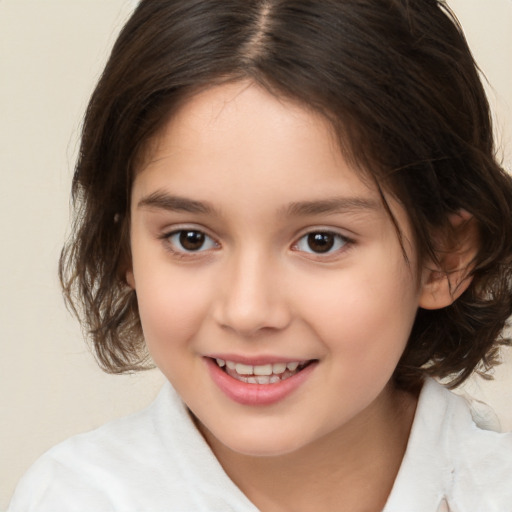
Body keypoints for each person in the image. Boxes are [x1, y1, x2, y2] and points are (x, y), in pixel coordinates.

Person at [8, 1, 512, 511]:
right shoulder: (70, 498)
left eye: (321, 241)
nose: (247, 311)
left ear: (444, 257)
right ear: (126, 248)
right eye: (190, 239)